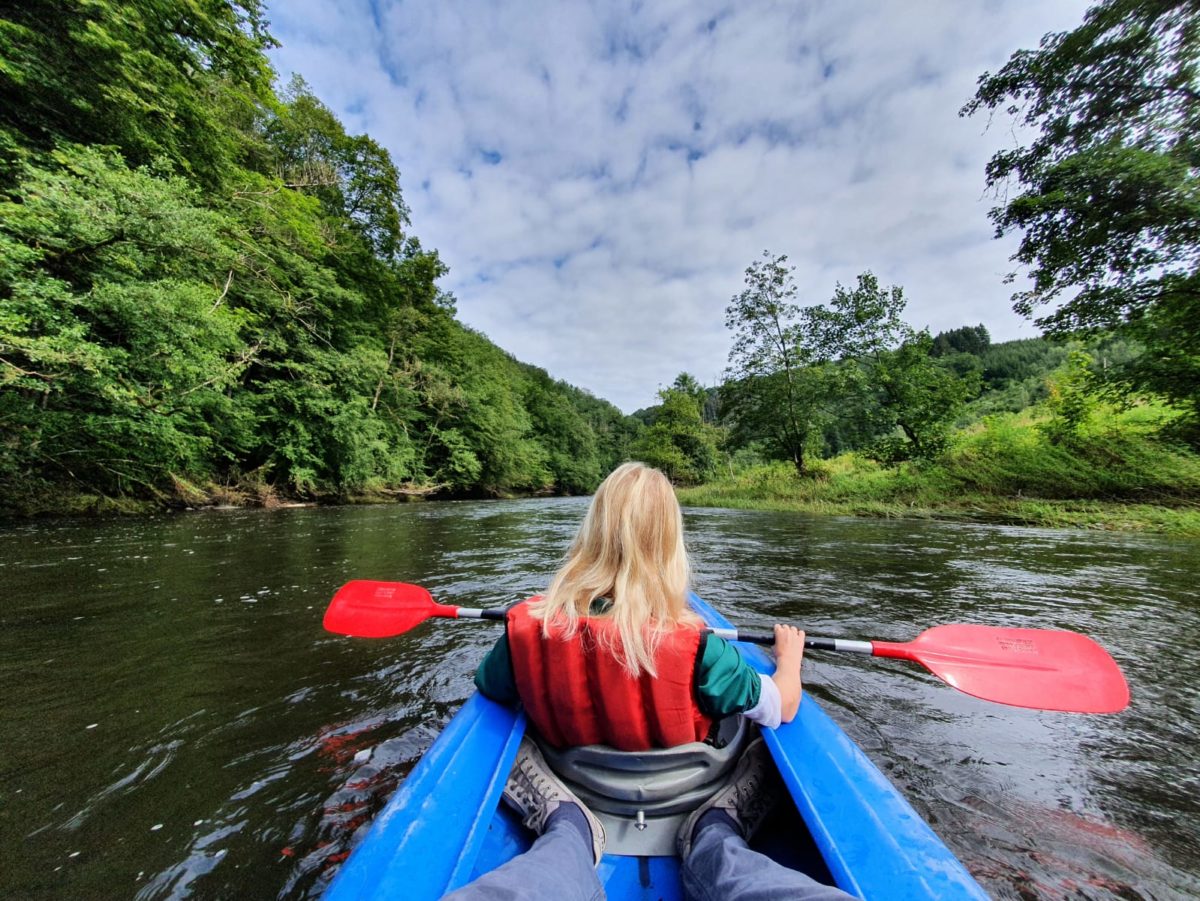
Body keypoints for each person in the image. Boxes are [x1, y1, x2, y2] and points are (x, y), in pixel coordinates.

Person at [444, 462, 853, 901]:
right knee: (756, 746)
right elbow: (782, 707)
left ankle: (568, 826)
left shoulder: (527, 631)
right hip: (687, 791)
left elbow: (491, 688)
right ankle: (713, 832)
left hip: (573, 779)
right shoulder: (700, 648)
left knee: (550, 825)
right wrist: (789, 660)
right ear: (670, 546)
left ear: (590, 534)